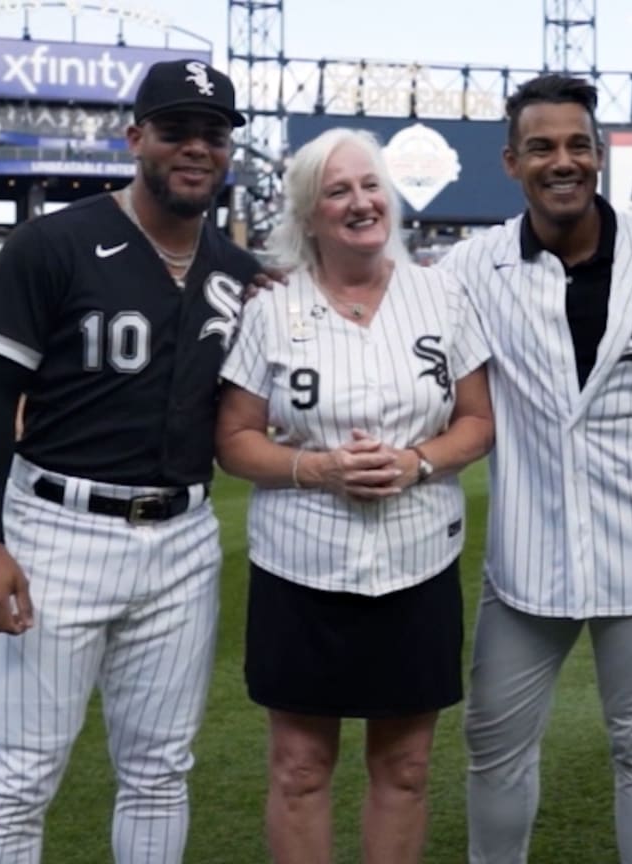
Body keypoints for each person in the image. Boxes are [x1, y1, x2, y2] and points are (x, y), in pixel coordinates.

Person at [0, 58, 260, 864]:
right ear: (136, 139)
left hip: (184, 538)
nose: (196, 148)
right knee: (19, 779)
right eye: (175, 131)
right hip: (55, 530)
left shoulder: (236, 272)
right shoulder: (51, 244)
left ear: (228, 151)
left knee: (160, 774)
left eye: (214, 134)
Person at [437, 74, 632, 864]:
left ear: (601, 154)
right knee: (492, 738)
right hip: (529, 550)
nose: (562, 160)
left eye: (578, 144)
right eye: (542, 147)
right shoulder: (469, 269)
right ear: (511, 162)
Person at [215, 127, 494, 862]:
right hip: (301, 563)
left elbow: (478, 421)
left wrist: (417, 462)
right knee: (300, 770)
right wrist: (318, 469)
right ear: (310, 214)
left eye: (370, 185)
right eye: (337, 191)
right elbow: (234, 438)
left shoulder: (441, 294)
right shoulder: (272, 307)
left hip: (417, 559)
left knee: (404, 770)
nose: (360, 201)